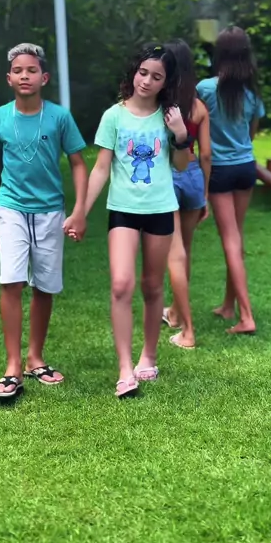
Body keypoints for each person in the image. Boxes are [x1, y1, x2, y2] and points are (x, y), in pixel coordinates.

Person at [83, 43, 191, 398]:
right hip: (123, 210)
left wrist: (180, 134)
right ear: (134, 72)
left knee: (152, 286)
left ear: (166, 82)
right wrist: (81, 211)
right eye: (143, 72)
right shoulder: (114, 116)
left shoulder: (169, 116)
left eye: (156, 77)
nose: (146, 81)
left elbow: (181, 165)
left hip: (160, 209)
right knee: (120, 284)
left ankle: (149, 357)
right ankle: (125, 369)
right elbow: (101, 169)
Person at [0, 43, 88, 400]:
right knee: (11, 281)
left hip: (50, 212)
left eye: (31, 70)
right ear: (9, 78)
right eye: (18, 71)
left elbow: (78, 163)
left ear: (44, 78)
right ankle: (13, 366)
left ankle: (35, 358)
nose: (24, 76)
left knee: (44, 286)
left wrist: (79, 210)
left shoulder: (59, 117)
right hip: (11, 209)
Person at [197, 26, 264, 335]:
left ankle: (246, 317)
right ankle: (228, 305)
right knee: (236, 238)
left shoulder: (205, 89)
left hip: (220, 171)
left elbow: (196, 127)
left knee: (230, 240)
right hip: (246, 168)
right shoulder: (252, 94)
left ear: (219, 54)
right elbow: (251, 134)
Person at [162, 39, 211, 349]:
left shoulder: (159, 106)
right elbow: (206, 154)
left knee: (174, 253)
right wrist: (204, 193)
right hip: (193, 175)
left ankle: (186, 329)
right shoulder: (199, 107)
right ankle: (175, 313)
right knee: (185, 251)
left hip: (168, 175)